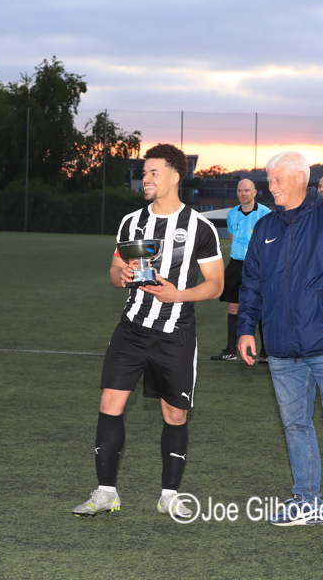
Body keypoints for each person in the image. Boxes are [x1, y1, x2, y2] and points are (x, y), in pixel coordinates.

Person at [72, 144, 224, 519]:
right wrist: (120, 276)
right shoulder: (131, 222)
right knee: (110, 405)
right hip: (132, 329)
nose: (146, 179)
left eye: (154, 172)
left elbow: (217, 285)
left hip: (175, 333)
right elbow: (113, 271)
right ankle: (106, 492)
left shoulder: (199, 227)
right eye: (145, 173)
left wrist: (178, 294)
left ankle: (169, 495)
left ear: (175, 176)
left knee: (174, 415)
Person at [237, 151, 323, 528]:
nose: (271, 186)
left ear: (300, 178)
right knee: (295, 424)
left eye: (278, 179)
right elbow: (250, 283)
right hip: (281, 346)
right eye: (269, 179)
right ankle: (306, 500)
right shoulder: (265, 227)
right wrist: (246, 328)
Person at [210, 178, 271, 361]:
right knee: (233, 306)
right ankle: (230, 350)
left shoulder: (266, 214)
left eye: (247, 190)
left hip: (258, 265)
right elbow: (232, 237)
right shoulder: (232, 214)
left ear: (254, 193)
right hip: (236, 264)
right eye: (240, 190)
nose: (243, 194)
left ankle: (265, 353)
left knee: (260, 307)